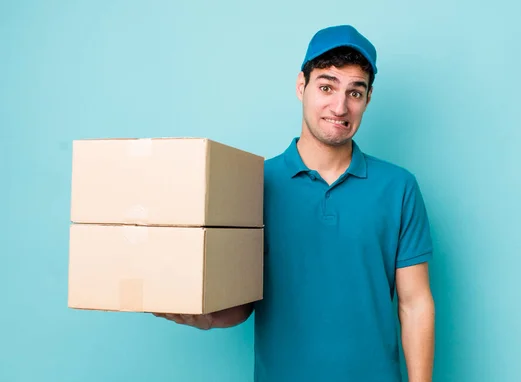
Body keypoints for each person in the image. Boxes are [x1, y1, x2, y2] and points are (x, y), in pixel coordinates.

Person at [154, 24, 435, 382]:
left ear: (368, 99)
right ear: (301, 86)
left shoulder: (398, 187)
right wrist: (205, 317)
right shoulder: (253, 183)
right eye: (327, 86)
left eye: (355, 92)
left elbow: (415, 304)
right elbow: (243, 301)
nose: (340, 106)